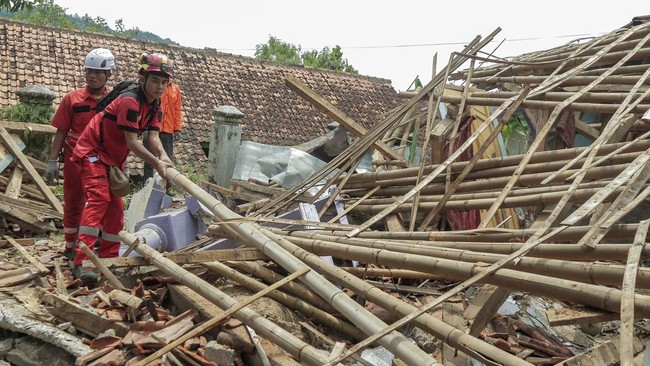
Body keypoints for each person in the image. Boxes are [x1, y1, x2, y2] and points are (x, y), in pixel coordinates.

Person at [71, 52, 175, 281]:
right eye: (155, 80)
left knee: (116, 210)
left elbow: (153, 137)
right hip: (93, 151)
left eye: (164, 82)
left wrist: (164, 157)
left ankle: (107, 260)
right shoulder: (130, 100)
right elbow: (133, 142)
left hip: (113, 159)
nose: (160, 87)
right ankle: (82, 261)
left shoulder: (156, 104)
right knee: (99, 199)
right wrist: (156, 163)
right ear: (143, 78)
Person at [46, 48, 115, 261]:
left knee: (101, 202)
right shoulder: (72, 99)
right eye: (88, 71)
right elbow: (61, 131)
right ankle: (69, 245)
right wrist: (52, 160)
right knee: (74, 201)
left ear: (108, 75)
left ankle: (94, 245)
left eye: (96, 72)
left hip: (103, 160)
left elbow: (121, 134)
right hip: (75, 159)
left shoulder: (115, 101)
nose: (91, 75)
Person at [143, 79, 182, 180]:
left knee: (167, 159)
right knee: (149, 159)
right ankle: (147, 185)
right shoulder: (155, 87)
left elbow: (177, 109)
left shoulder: (175, 89)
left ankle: (167, 187)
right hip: (152, 129)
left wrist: (177, 129)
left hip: (168, 130)